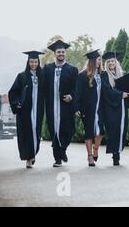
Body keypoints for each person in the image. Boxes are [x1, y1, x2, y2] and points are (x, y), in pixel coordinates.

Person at [44, 40, 78, 168]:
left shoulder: (72, 69)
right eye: (58, 52)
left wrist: (72, 96)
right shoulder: (47, 69)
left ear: (65, 53)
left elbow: (77, 88)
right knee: (55, 131)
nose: (61, 54)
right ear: (55, 53)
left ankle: (63, 149)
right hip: (52, 106)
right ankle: (57, 158)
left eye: (63, 52)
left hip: (66, 106)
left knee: (68, 129)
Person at [8, 51, 45, 169]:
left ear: (38, 62)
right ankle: (29, 158)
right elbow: (13, 92)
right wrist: (16, 103)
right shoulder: (21, 76)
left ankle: (33, 153)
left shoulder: (42, 76)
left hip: (38, 109)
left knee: (36, 132)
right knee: (26, 133)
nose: (33, 64)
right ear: (28, 62)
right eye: (31, 61)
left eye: (35, 61)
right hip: (25, 111)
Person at [74, 50, 105, 167]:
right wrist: (76, 107)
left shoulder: (102, 74)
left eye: (101, 59)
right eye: (98, 59)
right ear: (92, 61)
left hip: (100, 108)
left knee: (100, 132)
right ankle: (89, 156)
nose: (100, 61)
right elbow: (78, 92)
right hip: (87, 108)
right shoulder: (82, 75)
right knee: (89, 132)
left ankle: (95, 149)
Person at [101, 52, 129, 166]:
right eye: (109, 62)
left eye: (113, 61)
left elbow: (128, 88)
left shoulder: (122, 74)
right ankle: (115, 156)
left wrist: (128, 94)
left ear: (116, 62)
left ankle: (118, 152)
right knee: (113, 130)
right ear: (106, 64)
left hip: (122, 106)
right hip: (110, 108)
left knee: (121, 129)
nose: (111, 63)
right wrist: (120, 94)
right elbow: (106, 90)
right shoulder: (104, 75)